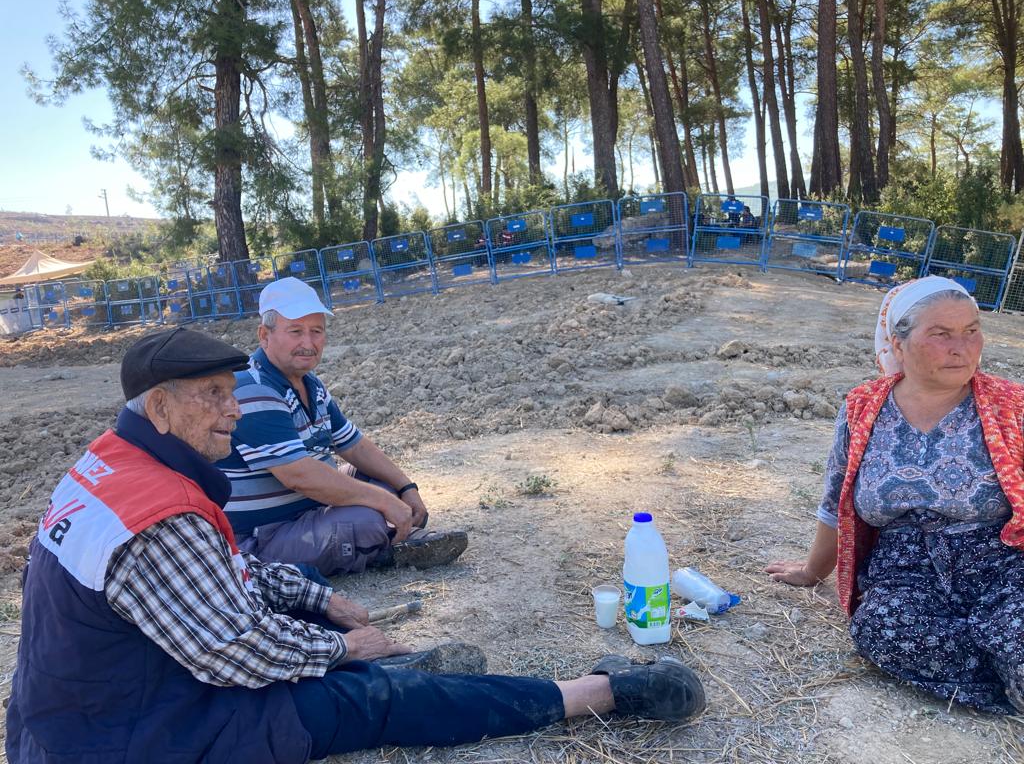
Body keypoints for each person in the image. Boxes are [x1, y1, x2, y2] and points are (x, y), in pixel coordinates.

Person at [5, 327, 708, 763]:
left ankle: (406, 673)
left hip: (81, 716)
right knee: (369, 700)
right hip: (137, 738)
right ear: (159, 408)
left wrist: (323, 602)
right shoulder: (159, 515)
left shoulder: (112, 466)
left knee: (312, 632)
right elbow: (235, 654)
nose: (233, 410)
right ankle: (606, 693)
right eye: (214, 395)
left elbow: (225, 571)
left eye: (233, 391)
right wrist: (344, 647)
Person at [766, 276, 1024, 714]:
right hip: (905, 567)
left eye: (972, 330)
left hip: (999, 561)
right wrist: (813, 570)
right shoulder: (863, 406)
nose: (961, 347)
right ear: (898, 343)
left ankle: (1006, 652)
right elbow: (837, 500)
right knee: (882, 629)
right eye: (940, 334)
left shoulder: (1011, 404)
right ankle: (1004, 665)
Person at [217, 277, 468, 575]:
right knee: (366, 519)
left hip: (307, 509)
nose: (308, 344)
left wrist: (405, 487)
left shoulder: (309, 383)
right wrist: (385, 502)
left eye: (316, 332)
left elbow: (354, 445)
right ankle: (391, 547)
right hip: (264, 535)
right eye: (295, 332)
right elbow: (299, 476)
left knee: (385, 487)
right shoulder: (252, 388)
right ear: (264, 335)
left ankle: (391, 535)